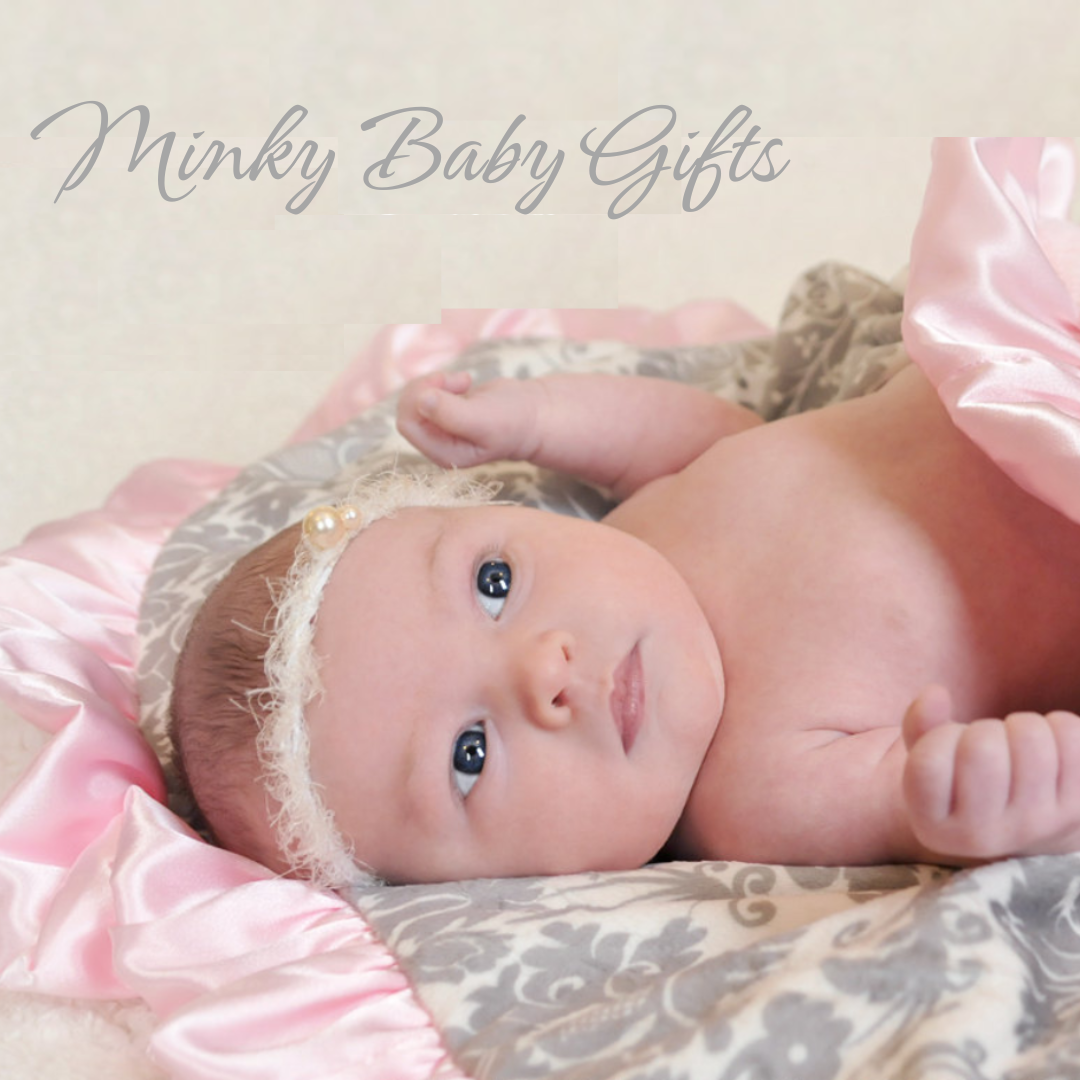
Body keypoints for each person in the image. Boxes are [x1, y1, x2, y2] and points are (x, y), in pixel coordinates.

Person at [170, 358, 1080, 890]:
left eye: (493, 582)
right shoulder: (755, 801)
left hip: (1025, 351)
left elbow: (718, 429)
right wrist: (990, 795)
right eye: (468, 755)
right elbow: (920, 799)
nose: (546, 671)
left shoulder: (645, 527)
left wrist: (534, 418)